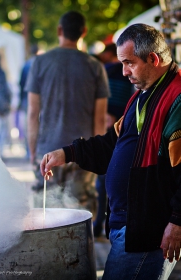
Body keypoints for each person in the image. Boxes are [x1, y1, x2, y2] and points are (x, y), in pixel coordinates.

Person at [40, 23, 181, 279]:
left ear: (153, 58)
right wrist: (67, 153)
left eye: (129, 63)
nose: (124, 72)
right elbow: (112, 144)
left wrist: (177, 222)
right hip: (129, 225)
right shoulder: (143, 94)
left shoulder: (177, 98)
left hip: (148, 232)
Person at [26, 11, 110, 213]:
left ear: (59, 30)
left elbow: (32, 112)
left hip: (47, 149)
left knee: (46, 214)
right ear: (84, 31)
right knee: (80, 215)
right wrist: (98, 153)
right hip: (83, 152)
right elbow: (100, 118)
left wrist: (33, 150)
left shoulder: (39, 63)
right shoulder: (95, 66)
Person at [93, 43, 133, 237]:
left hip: (113, 130)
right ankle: (102, 222)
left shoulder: (108, 72)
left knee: (104, 183)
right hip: (115, 131)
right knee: (106, 183)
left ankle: (101, 223)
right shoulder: (126, 73)